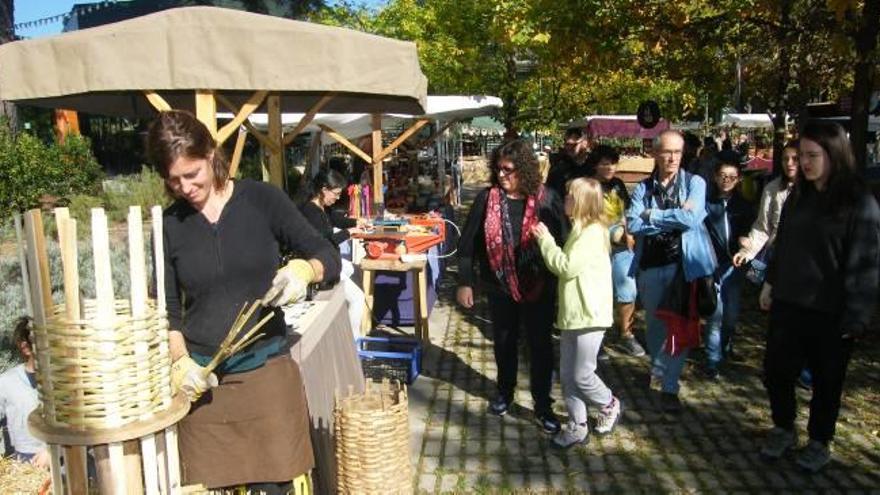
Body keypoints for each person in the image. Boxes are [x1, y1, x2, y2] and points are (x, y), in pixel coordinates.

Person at [147, 110, 341, 493]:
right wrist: (179, 361)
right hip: (204, 388)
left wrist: (305, 269)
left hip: (265, 375)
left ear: (211, 154)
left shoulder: (261, 200)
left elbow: (326, 253)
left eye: (192, 174)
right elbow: (167, 307)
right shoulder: (169, 225)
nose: (185, 187)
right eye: (174, 180)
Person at [758, 121, 880, 472]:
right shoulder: (800, 194)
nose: (805, 163)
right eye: (802, 155)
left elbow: (866, 262)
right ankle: (783, 428)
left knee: (827, 383)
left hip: (831, 311)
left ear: (835, 154)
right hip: (789, 304)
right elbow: (785, 245)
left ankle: (818, 441)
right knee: (776, 372)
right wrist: (770, 283)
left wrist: (857, 315)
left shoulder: (859, 201)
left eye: (813, 156)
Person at [456, 139, 567, 434]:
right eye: (499, 169)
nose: (502, 174)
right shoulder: (487, 199)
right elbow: (466, 245)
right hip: (499, 287)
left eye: (509, 169)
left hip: (539, 287)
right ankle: (505, 392)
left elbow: (564, 243)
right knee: (504, 343)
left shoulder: (547, 199)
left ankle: (543, 404)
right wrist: (465, 282)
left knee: (540, 347)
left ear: (525, 169)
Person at [625, 130, 717, 413]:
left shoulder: (695, 183)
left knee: (679, 326)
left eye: (677, 152)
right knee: (654, 326)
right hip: (651, 266)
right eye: (667, 152)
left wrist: (652, 215)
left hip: (683, 268)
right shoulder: (643, 188)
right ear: (655, 153)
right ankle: (658, 367)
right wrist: (673, 218)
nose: (672, 158)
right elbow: (634, 225)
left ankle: (670, 386)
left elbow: (691, 219)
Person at [532, 178, 622, 448]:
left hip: (589, 315)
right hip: (574, 314)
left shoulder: (593, 233)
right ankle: (576, 425)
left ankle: (608, 403)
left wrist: (546, 241)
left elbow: (566, 267)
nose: (565, 200)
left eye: (570, 196)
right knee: (568, 375)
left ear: (582, 202)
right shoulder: (579, 229)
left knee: (582, 373)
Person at [702, 151, 755, 379]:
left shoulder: (744, 206)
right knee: (715, 313)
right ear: (715, 177)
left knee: (731, 315)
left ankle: (725, 344)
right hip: (711, 265)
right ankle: (713, 360)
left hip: (734, 266)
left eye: (732, 176)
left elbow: (751, 232)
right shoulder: (706, 204)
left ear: (739, 179)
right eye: (723, 175)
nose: (727, 180)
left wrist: (745, 243)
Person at [299, 168, 370, 337]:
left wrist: (356, 221)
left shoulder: (322, 207)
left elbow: (337, 219)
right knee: (358, 297)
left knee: (356, 270)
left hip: (331, 259)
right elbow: (325, 242)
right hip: (321, 265)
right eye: (336, 194)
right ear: (324, 190)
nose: (338, 198)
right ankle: (354, 342)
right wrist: (349, 232)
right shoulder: (310, 212)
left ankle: (350, 322)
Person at [590, 145, 645, 357]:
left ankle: (626, 334)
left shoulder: (618, 185)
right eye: (604, 163)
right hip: (597, 246)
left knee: (628, 288)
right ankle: (597, 338)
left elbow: (626, 212)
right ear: (595, 164)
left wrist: (628, 232)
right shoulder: (588, 186)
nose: (610, 167)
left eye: (613, 163)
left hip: (622, 246)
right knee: (598, 293)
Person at [0, 317, 48, 468]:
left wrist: (51, 451)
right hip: (23, 463)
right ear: (25, 347)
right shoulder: (7, 382)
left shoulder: (64, 381)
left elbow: (77, 425)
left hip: (65, 458)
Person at [545, 127, 589, 198]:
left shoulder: (592, 165)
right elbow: (550, 193)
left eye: (573, 145)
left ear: (585, 143)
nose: (569, 148)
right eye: (567, 144)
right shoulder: (559, 166)